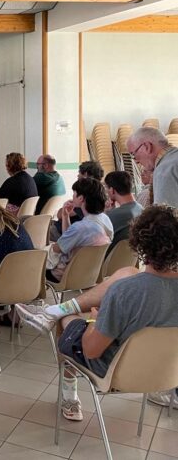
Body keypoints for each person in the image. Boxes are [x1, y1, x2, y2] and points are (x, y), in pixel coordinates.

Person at [16, 205, 178, 419]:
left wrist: (94, 320)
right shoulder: (132, 287)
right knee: (127, 273)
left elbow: (91, 351)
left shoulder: (125, 291)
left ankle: (69, 398)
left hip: (116, 372)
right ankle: (52, 313)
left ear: (140, 242)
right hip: (165, 374)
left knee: (68, 320)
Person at [47, 177, 113, 283]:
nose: (72, 196)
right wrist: (65, 216)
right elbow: (68, 239)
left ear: (81, 198)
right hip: (88, 275)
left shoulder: (81, 227)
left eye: (74, 193)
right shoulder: (105, 219)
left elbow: (57, 249)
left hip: (63, 275)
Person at [50, 160, 105, 240]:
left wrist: (65, 210)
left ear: (85, 174)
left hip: (62, 232)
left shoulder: (85, 196)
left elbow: (60, 215)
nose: (78, 175)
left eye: (79, 172)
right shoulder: (99, 193)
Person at [128, 126, 178, 207]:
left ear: (147, 147)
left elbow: (164, 214)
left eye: (134, 154)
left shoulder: (164, 170)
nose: (136, 161)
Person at [104, 170, 143, 252]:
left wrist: (107, 213)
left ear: (112, 190)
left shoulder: (114, 215)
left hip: (113, 257)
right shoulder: (141, 209)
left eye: (106, 188)